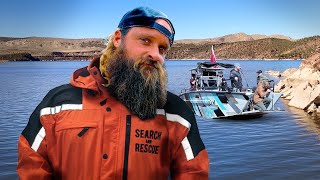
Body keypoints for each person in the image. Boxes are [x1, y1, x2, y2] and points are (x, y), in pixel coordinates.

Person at [17, 7, 209, 179]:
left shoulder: (176, 113)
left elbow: (193, 173)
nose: (156, 55)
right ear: (118, 39)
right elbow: (32, 164)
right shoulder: (56, 105)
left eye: (162, 48)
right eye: (145, 40)